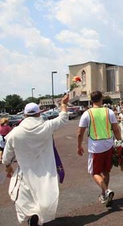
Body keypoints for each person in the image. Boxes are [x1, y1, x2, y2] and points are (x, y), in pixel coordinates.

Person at [2, 96, 69, 226]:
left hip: (25, 170)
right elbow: (63, 118)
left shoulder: (16, 132)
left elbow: (7, 154)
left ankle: (31, 214)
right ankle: (40, 214)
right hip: (46, 169)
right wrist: (63, 104)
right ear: (39, 113)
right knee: (44, 193)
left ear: (25, 115)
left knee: (23, 195)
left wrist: (7, 165)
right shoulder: (47, 126)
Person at [77, 91, 122, 207]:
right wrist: (120, 141)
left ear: (91, 100)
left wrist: (79, 146)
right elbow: (116, 129)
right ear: (101, 99)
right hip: (108, 145)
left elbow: (80, 133)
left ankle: (106, 191)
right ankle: (104, 193)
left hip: (95, 147)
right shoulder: (109, 112)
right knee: (106, 171)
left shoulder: (87, 114)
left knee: (95, 172)